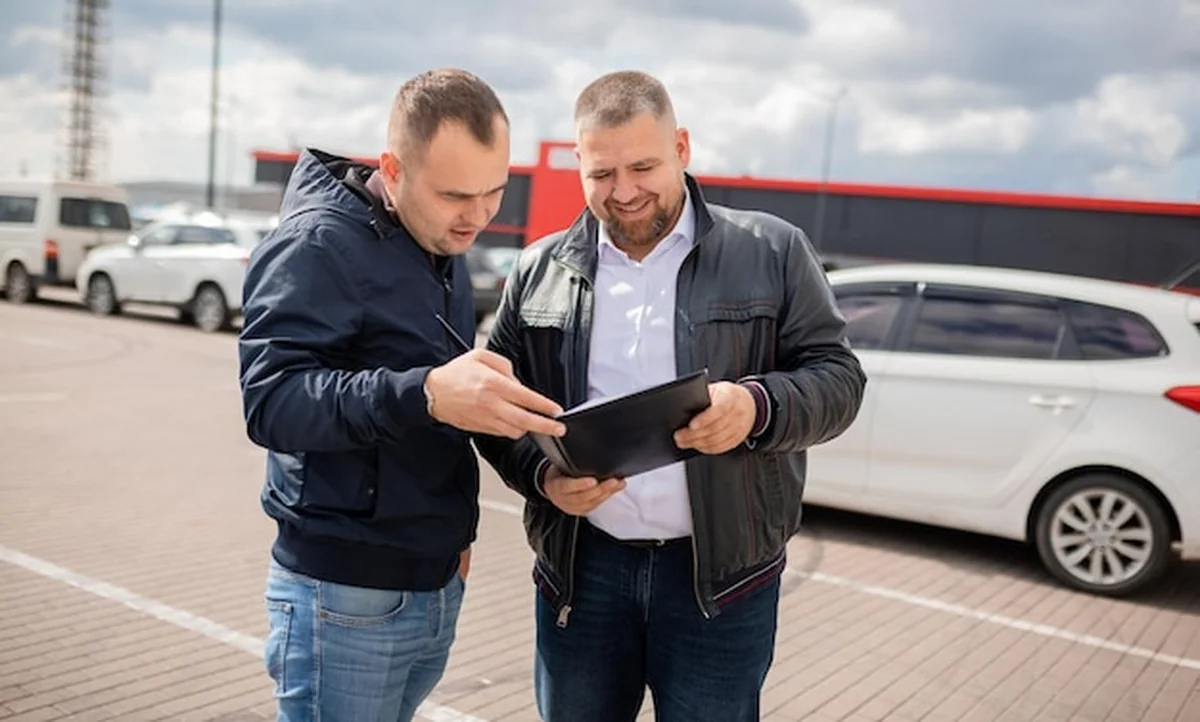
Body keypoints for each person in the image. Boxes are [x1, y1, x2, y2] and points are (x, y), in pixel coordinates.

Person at [473, 70, 868, 722]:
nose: (623, 192)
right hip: (583, 573)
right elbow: (495, 408)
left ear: (682, 148)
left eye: (643, 166)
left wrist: (755, 409)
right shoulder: (539, 269)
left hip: (719, 583)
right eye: (601, 174)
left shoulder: (773, 250)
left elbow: (840, 380)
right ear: (578, 163)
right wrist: (542, 476)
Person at [237, 68, 566, 722]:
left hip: (432, 582)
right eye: (455, 196)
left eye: (494, 193)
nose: (477, 217)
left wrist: (537, 472)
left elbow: (451, 400)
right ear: (393, 168)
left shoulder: (438, 239)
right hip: (345, 594)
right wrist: (427, 395)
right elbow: (271, 401)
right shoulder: (318, 244)